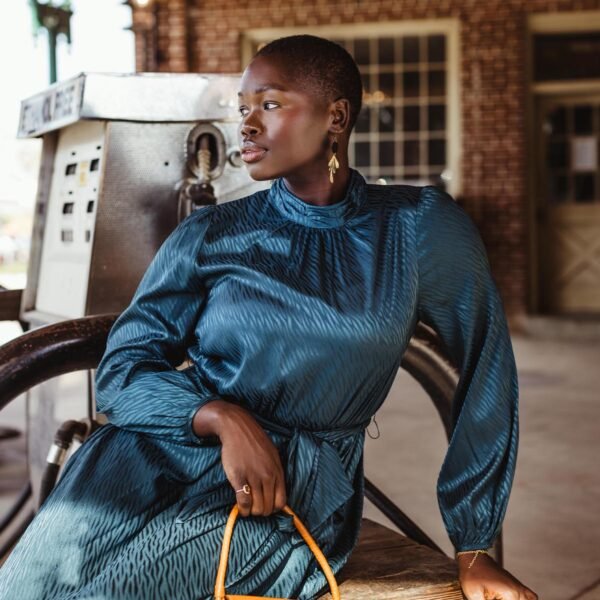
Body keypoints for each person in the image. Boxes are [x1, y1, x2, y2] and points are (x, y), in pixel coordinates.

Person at [0, 35, 537, 600]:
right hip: (145, 457)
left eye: (271, 104)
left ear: (336, 117)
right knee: (20, 590)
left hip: (283, 493)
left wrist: (474, 544)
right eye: (243, 109)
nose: (247, 125)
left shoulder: (416, 228)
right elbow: (122, 369)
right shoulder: (209, 233)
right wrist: (222, 417)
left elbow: (486, 373)